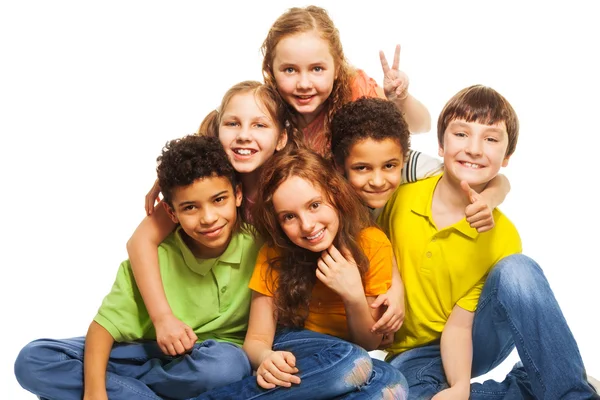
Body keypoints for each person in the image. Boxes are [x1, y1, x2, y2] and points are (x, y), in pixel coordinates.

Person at [378, 85, 599, 399]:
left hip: (476, 339)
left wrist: (461, 385)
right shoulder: (401, 198)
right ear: (440, 145)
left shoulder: (502, 235)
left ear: (506, 157)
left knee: (517, 269)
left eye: (491, 139)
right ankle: (527, 384)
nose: (474, 149)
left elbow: (459, 326)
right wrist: (458, 391)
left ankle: (572, 394)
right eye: (462, 134)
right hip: (414, 354)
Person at [14, 135, 262, 399]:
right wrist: (95, 391)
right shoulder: (157, 259)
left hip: (206, 360)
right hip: (142, 351)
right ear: (171, 213)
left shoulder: (259, 247)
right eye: (190, 207)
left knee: (228, 366)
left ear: (237, 195)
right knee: (32, 360)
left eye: (218, 200)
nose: (209, 218)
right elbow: (103, 327)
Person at [193, 147, 408, 399]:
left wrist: (353, 296)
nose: (306, 225)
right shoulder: (275, 254)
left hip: (345, 357)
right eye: (289, 217)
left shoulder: (372, 244)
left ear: (336, 195)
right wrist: (265, 358)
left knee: (391, 385)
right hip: (293, 347)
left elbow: (369, 343)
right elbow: (256, 340)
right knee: (352, 361)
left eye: (314, 205)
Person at [129, 81, 290, 358]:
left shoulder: (288, 186)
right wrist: (162, 318)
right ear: (217, 131)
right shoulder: (205, 185)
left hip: (272, 321)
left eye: (259, 125)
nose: (243, 135)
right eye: (232, 124)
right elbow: (140, 242)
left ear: (281, 138)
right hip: (204, 319)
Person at [261, 5, 431, 156]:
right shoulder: (264, 107)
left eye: (317, 69)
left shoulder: (356, 88)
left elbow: (421, 126)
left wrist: (400, 99)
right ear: (271, 70)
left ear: (337, 67)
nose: (304, 84)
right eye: (290, 70)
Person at [330, 96, 509, 231]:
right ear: (339, 165)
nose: (378, 181)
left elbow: (498, 181)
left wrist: (488, 199)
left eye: (389, 166)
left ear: (403, 158)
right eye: (362, 168)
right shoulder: (327, 191)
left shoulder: (410, 165)